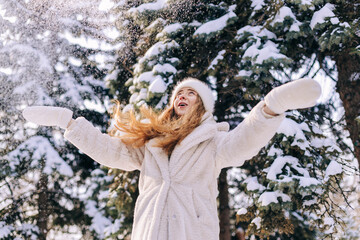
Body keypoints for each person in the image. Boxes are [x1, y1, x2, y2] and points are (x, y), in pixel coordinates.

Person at [23, 77, 321, 240]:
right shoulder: (152, 144)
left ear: (201, 106)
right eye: (180, 92)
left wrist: (270, 108)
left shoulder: (213, 142)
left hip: (192, 233)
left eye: (192, 93)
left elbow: (243, 142)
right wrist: (69, 123)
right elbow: (110, 150)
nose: (183, 96)